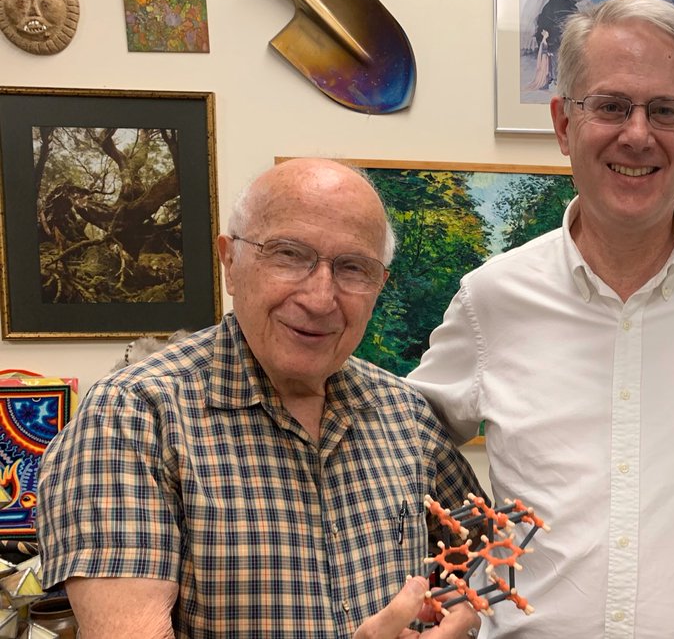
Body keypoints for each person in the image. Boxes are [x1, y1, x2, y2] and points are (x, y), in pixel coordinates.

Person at [407, 0, 674, 638]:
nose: (638, 134)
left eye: (665, 110)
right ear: (565, 123)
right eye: (612, 106)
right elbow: (399, 450)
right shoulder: (493, 299)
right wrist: (456, 587)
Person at [37, 158, 485, 639]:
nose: (319, 297)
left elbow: (484, 546)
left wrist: (464, 607)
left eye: (354, 268)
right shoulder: (132, 416)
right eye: (289, 255)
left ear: (379, 286)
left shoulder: (406, 414)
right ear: (230, 262)